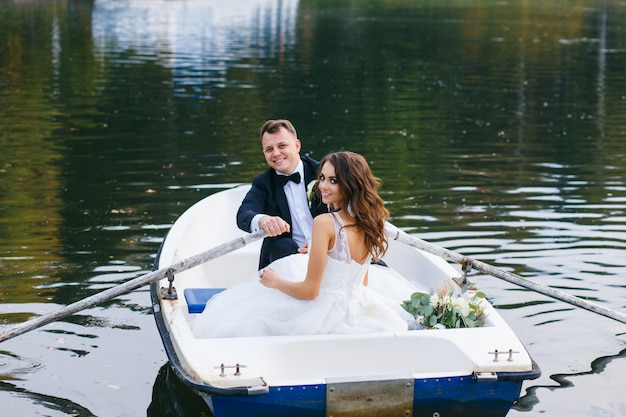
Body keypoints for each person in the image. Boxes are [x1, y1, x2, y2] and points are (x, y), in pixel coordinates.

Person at [193, 151, 415, 338]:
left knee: (240, 317)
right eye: (322, 178)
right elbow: (362, 283)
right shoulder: (370, 221)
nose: (324, 187)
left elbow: (310, 292)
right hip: (359, 308)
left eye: (333, 181)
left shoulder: (324, 222)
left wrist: (276, 282)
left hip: (324, 313)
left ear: (350, 184)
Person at [237, 119, 328, 269]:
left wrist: (322, 244)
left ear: (297, 146)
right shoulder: (263, 182)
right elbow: (243, 214)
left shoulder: (323, 172)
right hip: (286, 259)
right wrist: (262, 220)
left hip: (328, 252)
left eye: (282, 146)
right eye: (269, 149)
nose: (276, 153)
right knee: (283, 245)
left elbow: (348, 212)